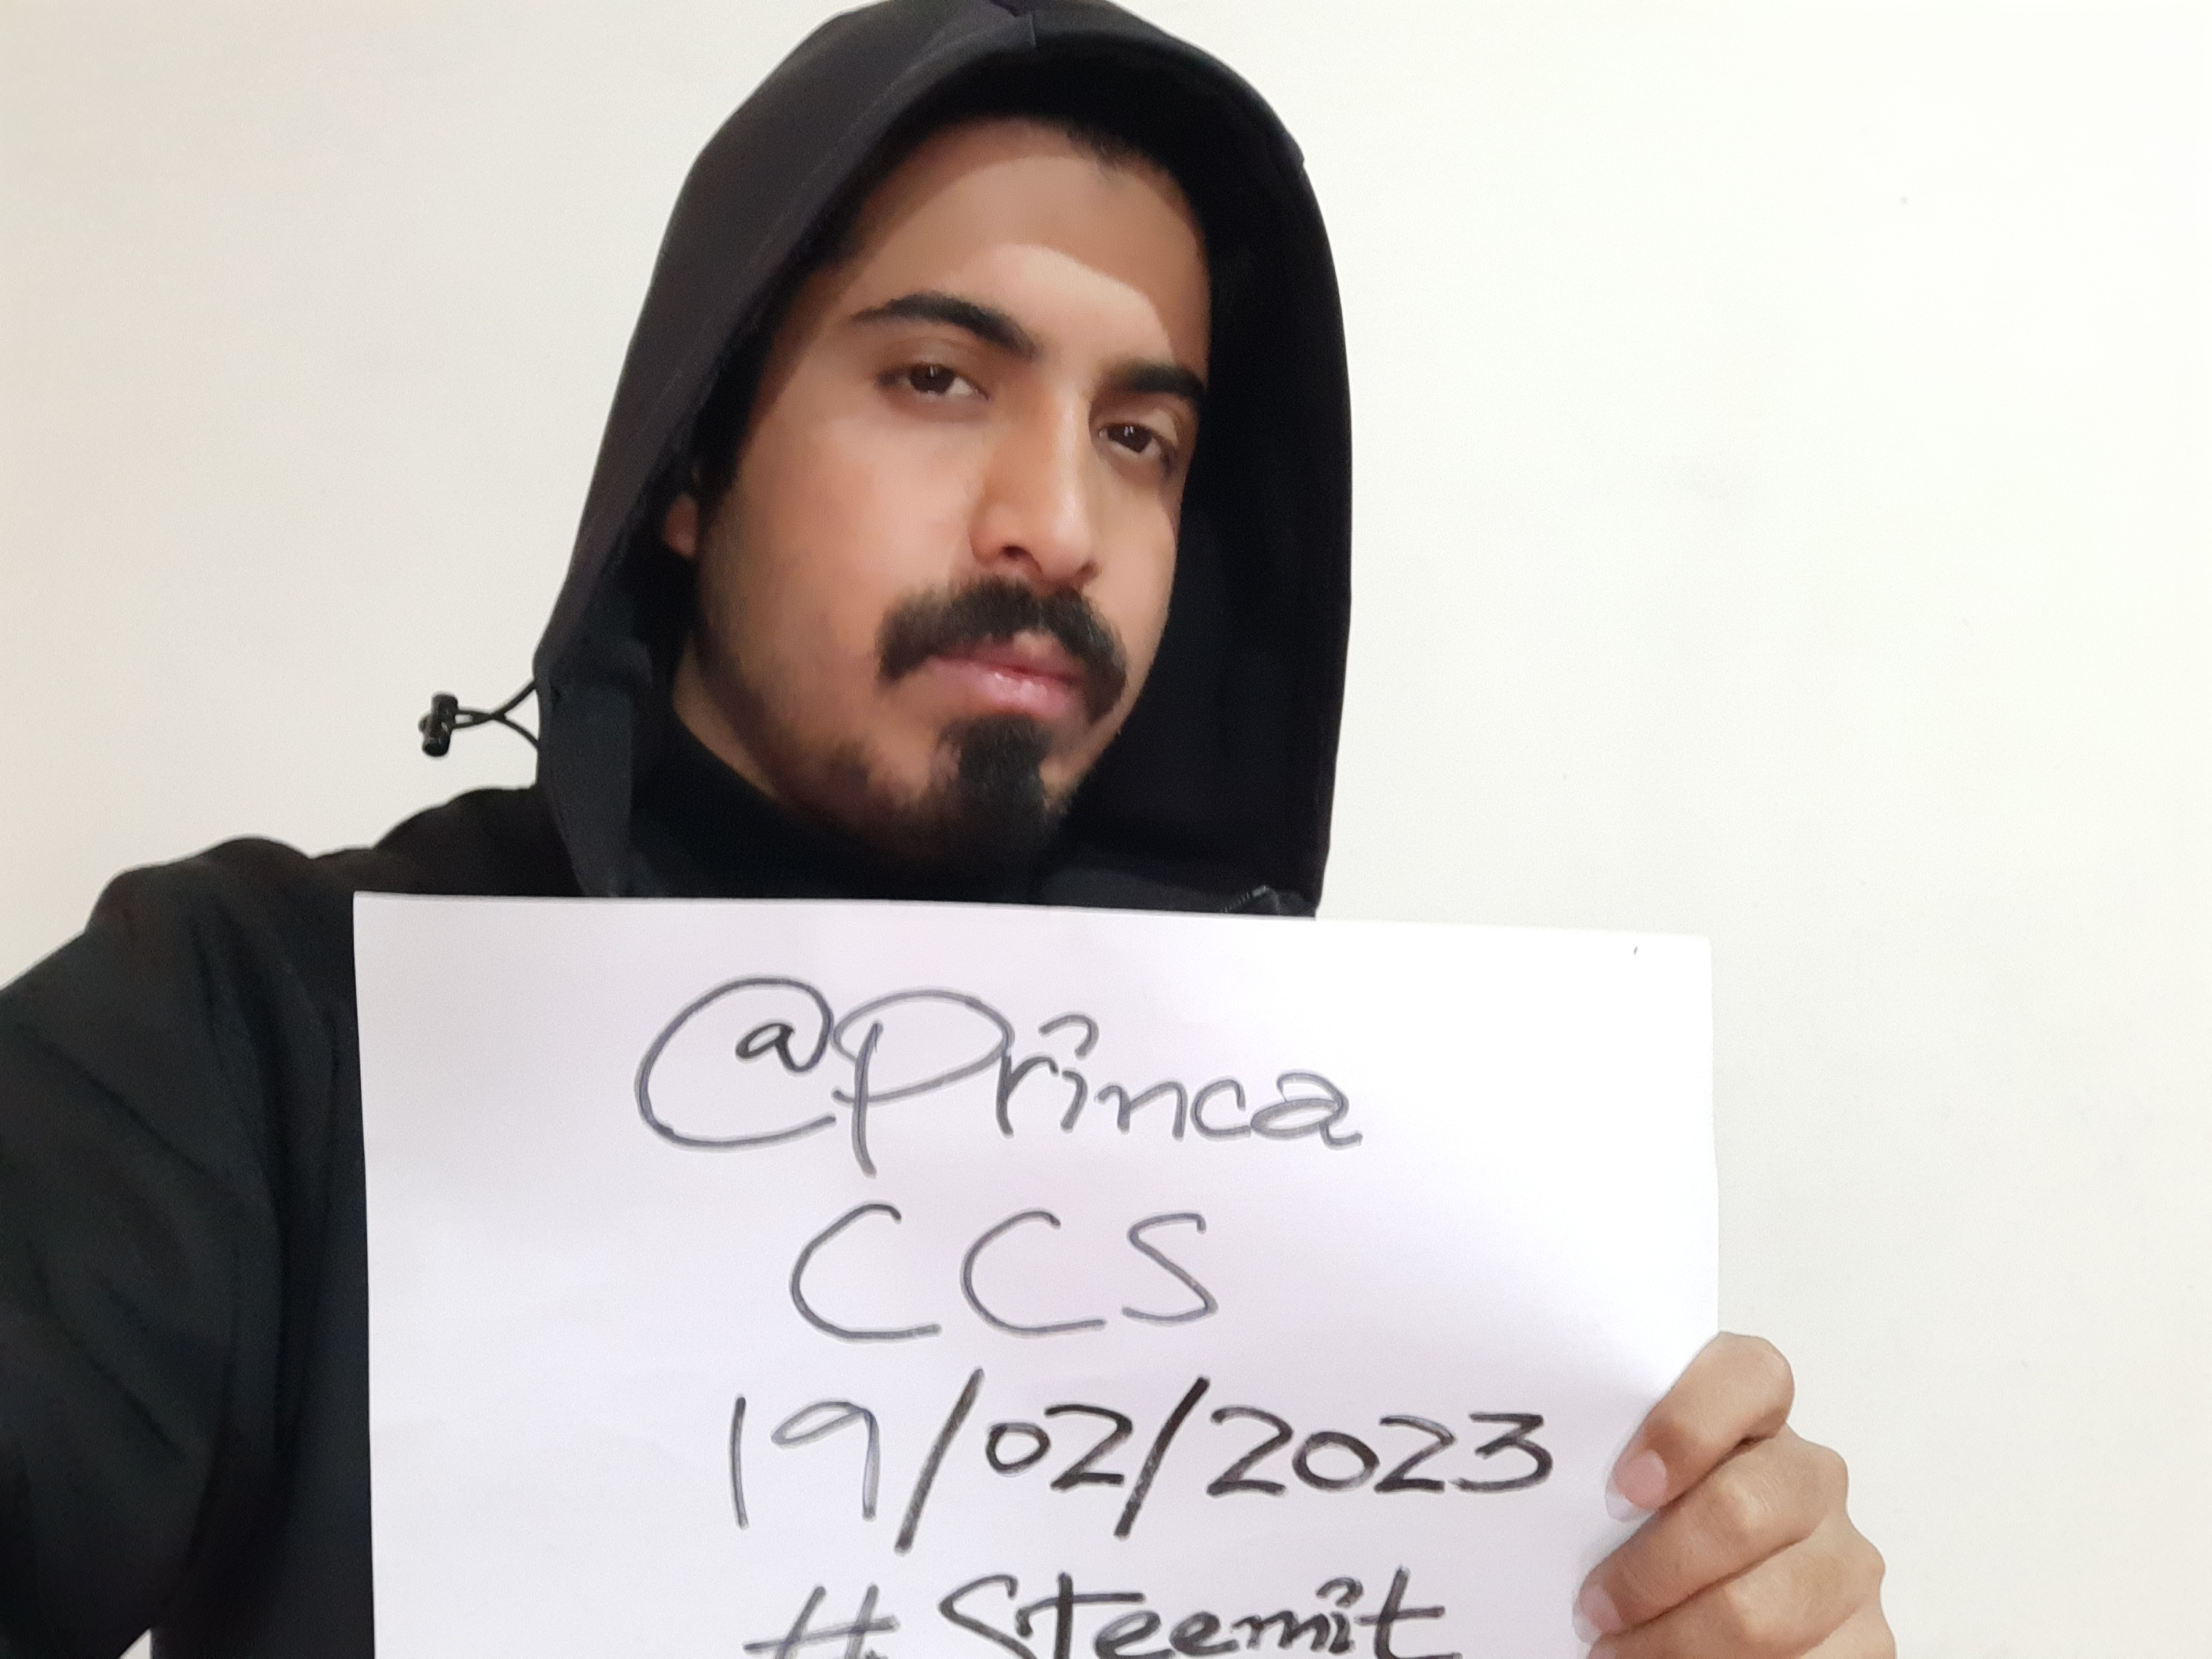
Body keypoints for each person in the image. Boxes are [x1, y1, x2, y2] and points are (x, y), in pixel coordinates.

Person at [0, 2, 1890, 1655]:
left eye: (1141, 437)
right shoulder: (250, 1039)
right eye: (937, 378)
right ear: (693, 461)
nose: (1055, 525)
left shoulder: (1376, 1187)